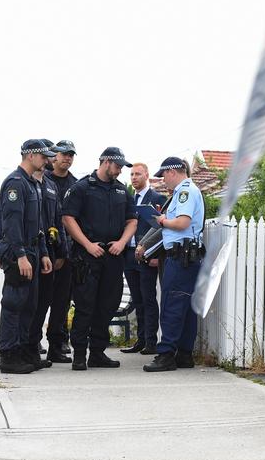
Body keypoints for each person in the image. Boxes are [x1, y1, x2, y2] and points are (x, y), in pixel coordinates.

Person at [62, 147, 137, 370]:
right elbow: (68, 218)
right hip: (88, 256)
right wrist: (87, 244)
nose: (120, 170)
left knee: (108, 305)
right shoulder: (83, 188)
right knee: (85, 305)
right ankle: (78, 354)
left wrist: (123, 242)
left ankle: (97, 352)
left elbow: (132, 221)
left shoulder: (122, 191)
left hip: (113, 256)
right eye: (117, 166)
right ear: (105, 162)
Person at [0, 139, 55, 373]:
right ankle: (9, 355)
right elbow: (11, 224)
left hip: (32, 250)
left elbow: (37, 224)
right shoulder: (15, 183)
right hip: (17, 251)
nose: (46, 160)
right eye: (43, 156)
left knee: (29, 305)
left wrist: (42, 253)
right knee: (14, 304)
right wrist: (20, 255)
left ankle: (22, 352)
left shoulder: (32, 184)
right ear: (30, 156)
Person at [143, 157, 204, 372]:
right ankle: (184, 354)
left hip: (181, 257)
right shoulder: (186, 191)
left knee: (172, 305)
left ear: (173, 172)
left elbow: (182, 222)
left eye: (164, 176)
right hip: (188, 257)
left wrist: (162, 221)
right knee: (186, 307)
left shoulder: (185, 191)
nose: (163, 181)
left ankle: (166, 354)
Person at [26, 151, 69, 368]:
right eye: (45, 156)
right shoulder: (25, 182)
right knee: (28, 304)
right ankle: (26, 349)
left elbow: (57, 220)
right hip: (33, 251)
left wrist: (62, 252)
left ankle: (40, 349)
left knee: (45, 303)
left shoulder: (50, 186)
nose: (48, 160)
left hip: (50, 253)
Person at [120, 163, 166, 355]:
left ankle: (151, 342)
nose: (134, 177)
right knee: (137, 300)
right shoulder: (130, 198)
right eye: (131, 174)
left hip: (147, 255)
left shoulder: (157, 198)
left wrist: (155, 254)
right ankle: (140, 340)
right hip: (130, 254)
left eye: (138, 174)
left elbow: (161, 229)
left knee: (148, 299)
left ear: (146, 175)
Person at [45, 140, 78, 362]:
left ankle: (56, 346)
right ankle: (26, 344)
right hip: (44, 250)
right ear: (54, 156)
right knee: (35, 302)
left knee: (61, 303)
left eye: (70, 155)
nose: (67, 158)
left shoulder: (76, 185)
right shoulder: (41, 180)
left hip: (67, 252)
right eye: (63, 154)